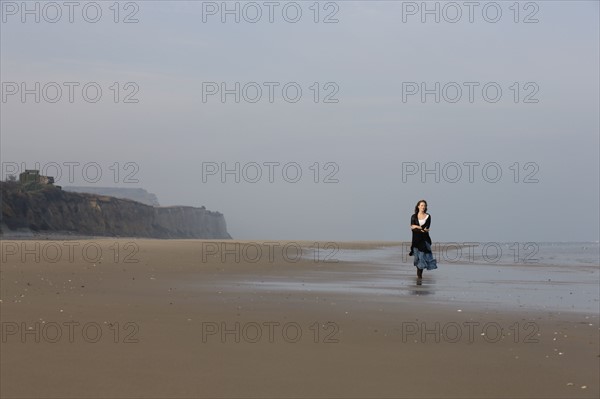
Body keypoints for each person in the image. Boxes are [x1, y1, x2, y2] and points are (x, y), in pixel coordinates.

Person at [409, 199, 438, 279]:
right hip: (415, 240)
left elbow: (426, 228)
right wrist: (418, 228)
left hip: (425, 240)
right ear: (418, 206)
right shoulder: (413, 216)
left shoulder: (428, 216)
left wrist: (416, 227)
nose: (423, 207)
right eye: (422, 205)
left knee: (422, 257)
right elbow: (412, 228)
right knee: (416, 259)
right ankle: (419, 273)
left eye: (424, 206)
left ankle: (419, 276)